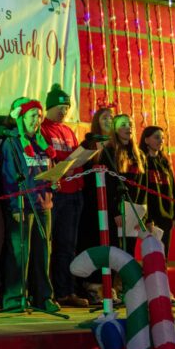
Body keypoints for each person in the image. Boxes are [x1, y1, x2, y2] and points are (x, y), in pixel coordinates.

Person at [0, 98, 58, 312]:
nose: (37, 120)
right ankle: (15, 299)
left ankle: (44, 297)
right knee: (19, 254)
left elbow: (46, 170)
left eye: (39, 116)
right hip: (22, 206)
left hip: (44, 205)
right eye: (32, 115)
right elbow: (7, 177)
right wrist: (15, 207)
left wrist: (55, 180)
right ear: (21, 118)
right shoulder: (12, 142)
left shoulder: (43, 142)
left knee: (44, 253)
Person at [40, 84, 89, 308]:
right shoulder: (43, 128)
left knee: (68, 247)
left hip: (74, 193)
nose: (63, 111)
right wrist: (67, 158)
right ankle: (49, 292)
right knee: (50, 246)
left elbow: (75, 157)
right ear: (49, 107)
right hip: (55, 194)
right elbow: (49, 156)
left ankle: (66, 290)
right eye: (60, 106)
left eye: (67, 107)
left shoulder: (68, 131)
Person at [139, 126, 175, 307]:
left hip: (166, 216)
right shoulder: (142, 161)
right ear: (146, 140)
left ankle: (164, 293)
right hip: (151, 217)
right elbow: (142, 193)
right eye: (156, 137)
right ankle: (151, 294)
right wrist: (146, 218)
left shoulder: (164, 162)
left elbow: (171, 189)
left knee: (163, 256)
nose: (160, 141)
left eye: (163, 138)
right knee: (152, 256)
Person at [77, 105, 115, 304]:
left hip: (112, 203)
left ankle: (109, 286)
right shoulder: (89, 143)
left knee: (111, 244)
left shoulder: (117, 146)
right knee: (92, 242)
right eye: (104, 118)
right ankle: (91, 285)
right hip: (91, 203)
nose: (109, 121)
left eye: (112, 118)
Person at [102, 114, 148, 257]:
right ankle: (115, 280)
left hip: (134, 210)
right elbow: (108, 185)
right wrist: (115, 212)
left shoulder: (139, 154)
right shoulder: (109, 152)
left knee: (130, 252)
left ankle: (127, 280)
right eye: (122, 124)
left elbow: (143, 187)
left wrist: (141, 214)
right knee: (117, 252)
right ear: (115, 130)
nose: (128, 127)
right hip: (117, 211)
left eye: (130, 124)